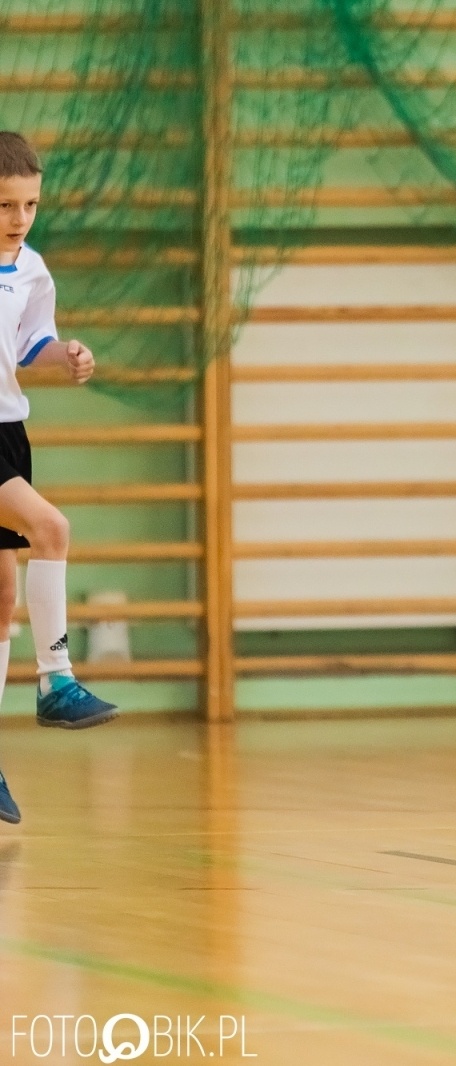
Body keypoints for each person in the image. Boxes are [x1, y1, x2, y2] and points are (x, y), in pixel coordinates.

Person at [0, 132, 121, 825]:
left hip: (10, 432)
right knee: (52, 527)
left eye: (31, 203)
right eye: (6, 204)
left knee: (3, 590)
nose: (20, 217)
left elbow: (29, 344)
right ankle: (57, 681)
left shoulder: (31, 269)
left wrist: (64, 355)